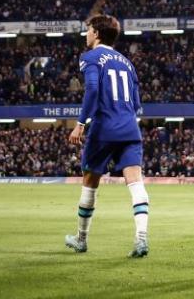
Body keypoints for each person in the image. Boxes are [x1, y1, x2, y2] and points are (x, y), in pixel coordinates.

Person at [64, 14, 149, 258]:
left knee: (90, 183)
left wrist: (80, 124)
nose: (86, 34)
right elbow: (136, 102)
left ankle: (81, 240)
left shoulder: (90, 57)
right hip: (130, 128)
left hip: (103, 129)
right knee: (136, 183)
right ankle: (141, 239)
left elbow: (92, 88)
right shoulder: (127, 62)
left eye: (89, 29)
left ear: (98, 33)